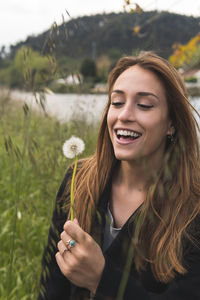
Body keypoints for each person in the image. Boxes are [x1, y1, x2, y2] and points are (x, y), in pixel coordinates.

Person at [38, 52, 200, 300]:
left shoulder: (193, 206)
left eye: (144, 105)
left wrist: (101, 279)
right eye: (116, 102)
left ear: (172, 124)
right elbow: (51, 287)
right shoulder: (78, 180)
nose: (124, 115)